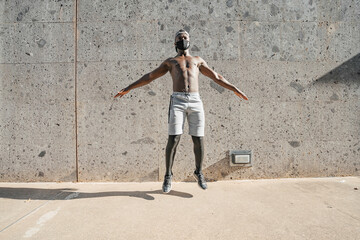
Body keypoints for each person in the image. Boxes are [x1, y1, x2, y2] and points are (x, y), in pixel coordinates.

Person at [114, 29, 248, 193]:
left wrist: (235, 89)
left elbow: (217, 77)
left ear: (189, 41)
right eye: (180, 37)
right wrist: (128, 88)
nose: (183, 39)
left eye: (185, 37)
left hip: (195, 100)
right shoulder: (171, 62)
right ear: (175, 43)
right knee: (174, 138)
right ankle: (168, 175)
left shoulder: (197, 60)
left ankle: (198, 172)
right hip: (177, 100)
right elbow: (149, 76)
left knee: (198, 139)